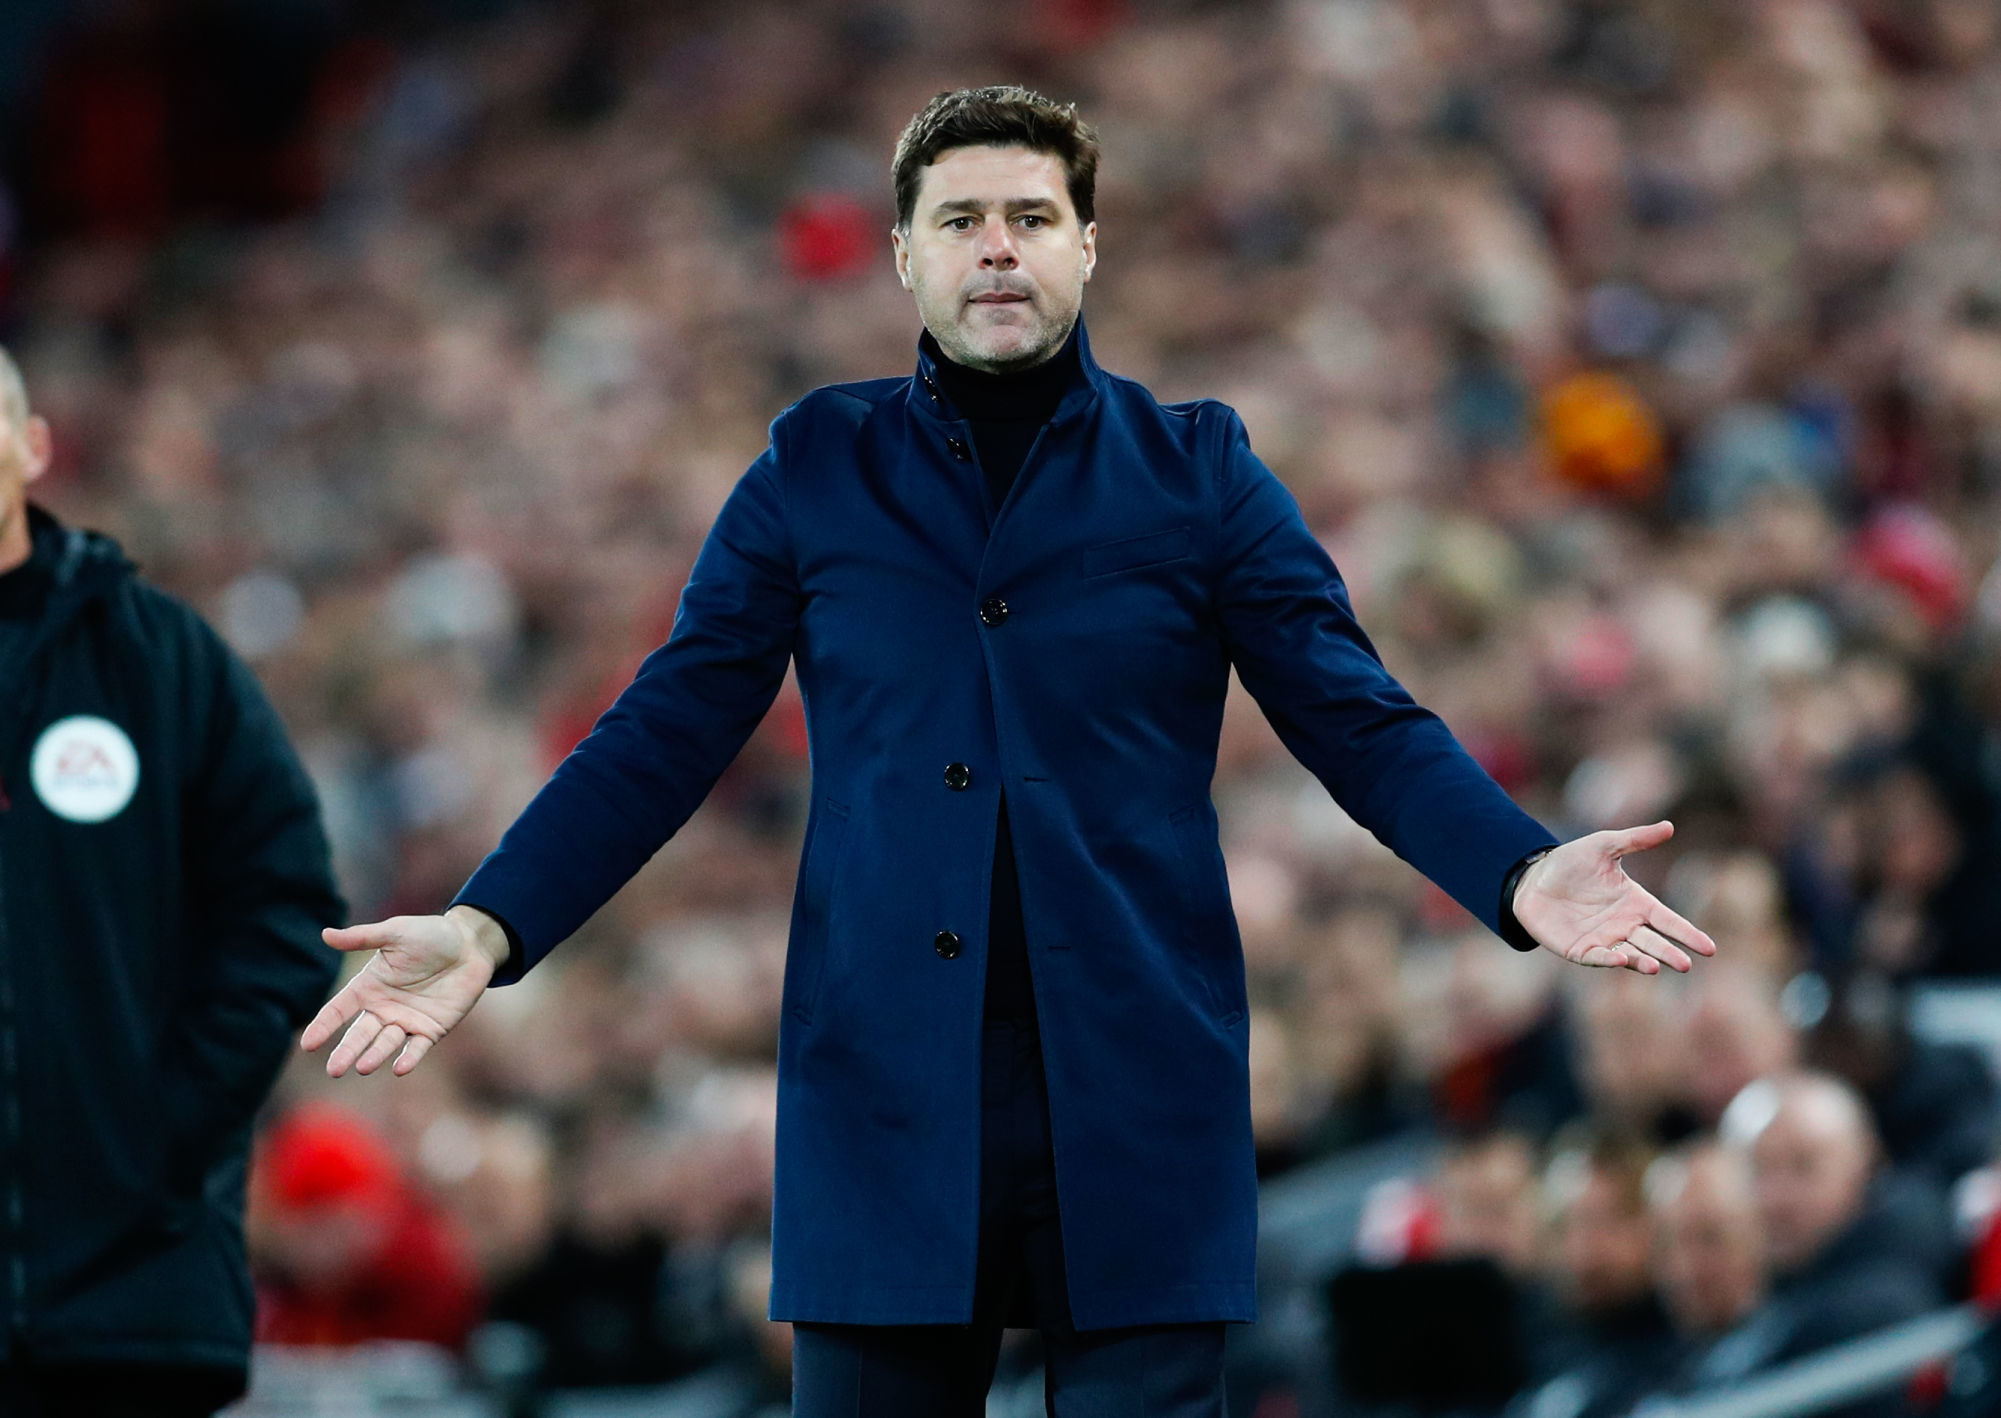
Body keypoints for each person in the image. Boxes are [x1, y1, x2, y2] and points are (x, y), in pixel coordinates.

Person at [301, 86, 1716, 1416]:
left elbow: (1357, 715)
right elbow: (664, 728)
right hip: (881, 1099)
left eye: (1032, 217)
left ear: (1086, 246)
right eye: (960, 220)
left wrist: (1515, 868)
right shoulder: (812, 465)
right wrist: (490, 923)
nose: (997, 248)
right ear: (904, 258)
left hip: (1140, 1085)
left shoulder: (1201, 468)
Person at [0, 349, 345, 1415]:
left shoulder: (161, 661)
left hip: (127, 1295)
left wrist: (164, 1120)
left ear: (33, 445)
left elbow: (284, 901)